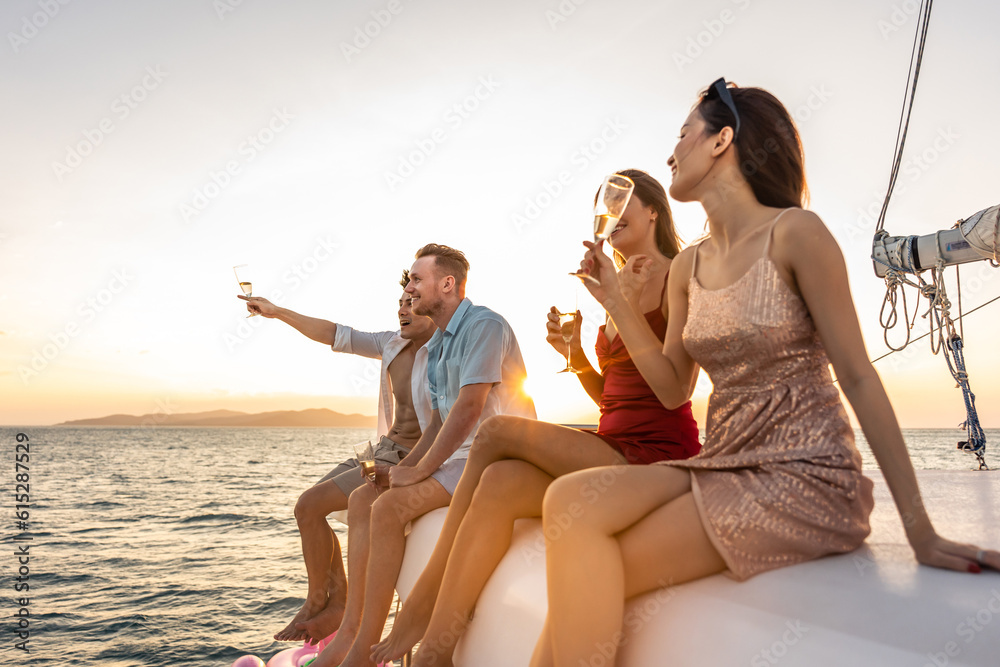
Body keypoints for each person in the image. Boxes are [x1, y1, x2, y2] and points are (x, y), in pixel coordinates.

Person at [534, 79, 1000, 666]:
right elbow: (673, 386)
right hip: (723, 460)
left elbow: (858, 377)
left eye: (683, 135)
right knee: (569, 501)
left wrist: (920, 532)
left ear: (722, 140)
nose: (670, 153)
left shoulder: (797, 233)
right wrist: (615, 303)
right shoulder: (689, 266)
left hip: (804, 474)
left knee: (599, 563)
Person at [371, 170, 701, 667]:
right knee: (501, 481)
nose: (607, 212)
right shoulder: (615, 280)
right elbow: (612, 396)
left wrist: (615, 300)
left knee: (499, 430)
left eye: (618, 200)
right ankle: (433, 653)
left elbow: (673, 394)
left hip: (657, 454)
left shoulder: (679, 274)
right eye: (600, 203)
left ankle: (418, 608)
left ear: (653, 208)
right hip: (611, 442)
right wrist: (577, 355)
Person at [311, 243, 536, 667]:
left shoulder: (484, 325)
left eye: (416, 279)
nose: (409, 288)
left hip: (496, 456)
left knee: (392, 507)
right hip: (457, 458)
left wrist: (418, 474)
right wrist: (405, 468)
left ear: (447, 284)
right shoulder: (437, 346)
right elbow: (438, 422)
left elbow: (469, 408)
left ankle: (364, 651)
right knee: (363, 498)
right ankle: (352, 631)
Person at [238, 271, 437, 642]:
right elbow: (333, 333)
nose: (402, 310)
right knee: (306, 509)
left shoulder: (445, 350)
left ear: (433, 306)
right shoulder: (391, 343)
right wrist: (276, 311)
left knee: (312, 503)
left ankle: (324, 602)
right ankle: (333, 598)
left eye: (411, 303)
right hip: (383, 447)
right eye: (400, 303)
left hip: (411, 456)